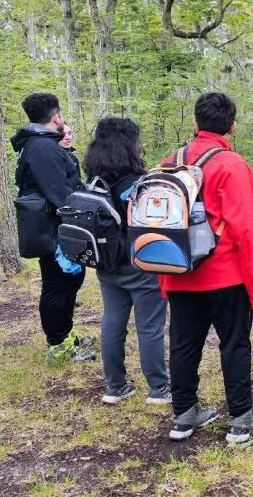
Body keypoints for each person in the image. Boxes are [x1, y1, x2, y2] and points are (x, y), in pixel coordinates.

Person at [160, 92, 253, 447]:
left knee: (182, 344)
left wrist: (164, 279)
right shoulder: (231, 164)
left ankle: (183, 415)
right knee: (234, 344)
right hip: (225, 275)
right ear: (232, 126)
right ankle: (241, 419)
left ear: (195, 123)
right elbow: (246, 231)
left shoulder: (168, 162)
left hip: (178, 271)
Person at [81, 117, 171, 405]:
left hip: (106, 263)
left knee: (112, 321)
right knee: (149, 326)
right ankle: (158, 387)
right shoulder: (135, 183)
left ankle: (115, 385)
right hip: (139, 263)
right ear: (129, 145)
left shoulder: (93, 179)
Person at [10, 93, 95, 362]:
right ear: (56, 116)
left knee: (69, 280)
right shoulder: (42, 147)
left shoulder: (39, 144)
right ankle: (58, 345)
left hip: (55, 225)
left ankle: (66, 334)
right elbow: (59, 192)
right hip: (52, 229)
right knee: (57, 284)